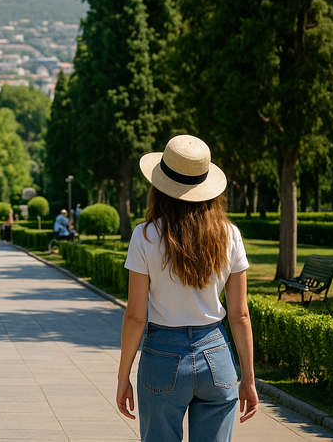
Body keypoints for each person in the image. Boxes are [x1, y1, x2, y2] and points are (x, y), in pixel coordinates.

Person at [116, 135, 258, 442]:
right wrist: (248, 378)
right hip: (217, 355)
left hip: (162, 357)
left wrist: (123, 375)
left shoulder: (146, 236)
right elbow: (241, 315)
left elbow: (136, 316)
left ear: (159, 185)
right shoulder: (229, 235)